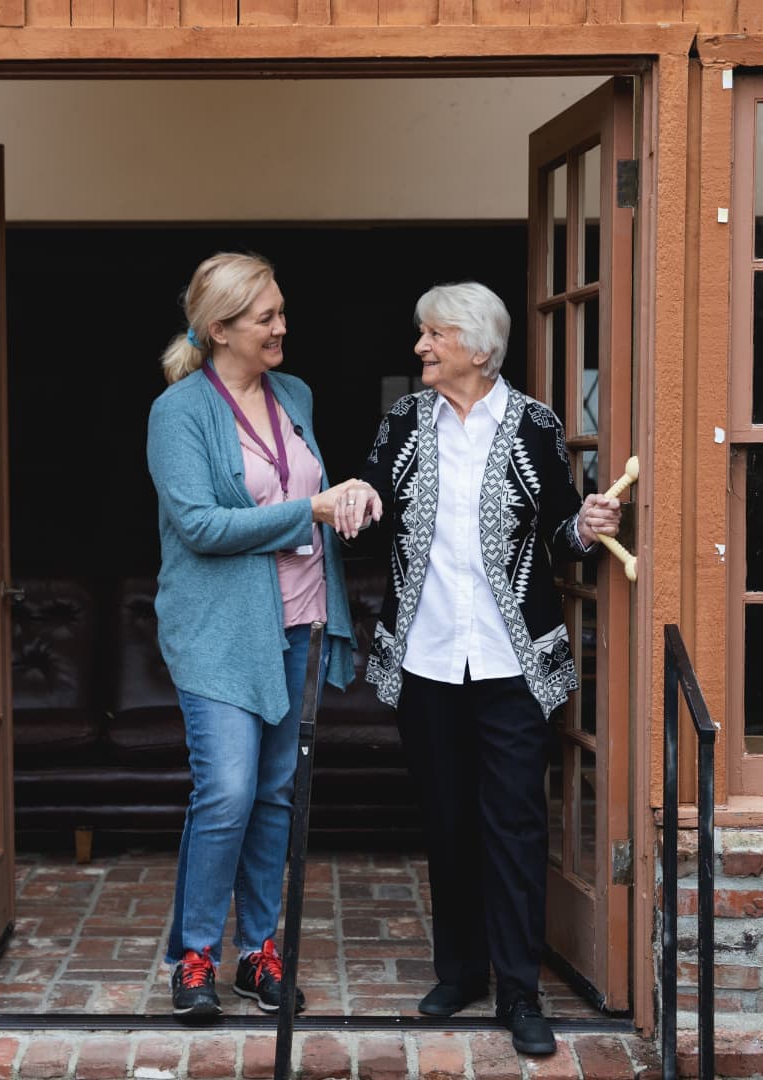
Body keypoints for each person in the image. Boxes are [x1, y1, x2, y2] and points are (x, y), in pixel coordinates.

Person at [341, 281, 620, 1055]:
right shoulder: (405, 420)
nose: (421, 347)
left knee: (516, 826)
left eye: (434, 335)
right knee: (447, 820)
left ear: (476, 345)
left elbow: (560, 532)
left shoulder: (535, 424)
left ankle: (520, 991)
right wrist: (358, 497)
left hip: (510, 665)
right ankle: (460, 971)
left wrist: (586, 524)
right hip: (428, 660)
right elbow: (371, 498)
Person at [147, 252, 380, 1022]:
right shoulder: (179, 412)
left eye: (281, 311)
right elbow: (200, 526)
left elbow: (304, 485)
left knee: (276, 794)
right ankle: (194, 956)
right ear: (219, 329)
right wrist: (309, 512)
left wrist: (348, 499)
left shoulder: (295, 393)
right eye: (266, 317)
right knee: (227, 791)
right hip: (220, 632)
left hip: (301, 621)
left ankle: (257, 952)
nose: (282, 326)